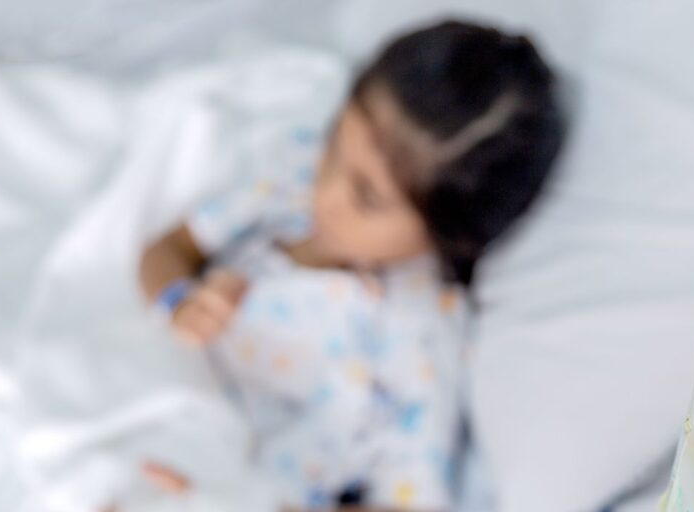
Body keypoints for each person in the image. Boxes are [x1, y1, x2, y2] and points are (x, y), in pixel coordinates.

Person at [138, 20, 565, 510]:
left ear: (450, 237)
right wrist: (180, 302)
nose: (327, 193)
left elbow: (410, 500)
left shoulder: (416, 339)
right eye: (335, 144)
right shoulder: (290, 173)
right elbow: (167, 250)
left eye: (367, 197)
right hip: (165, 402)